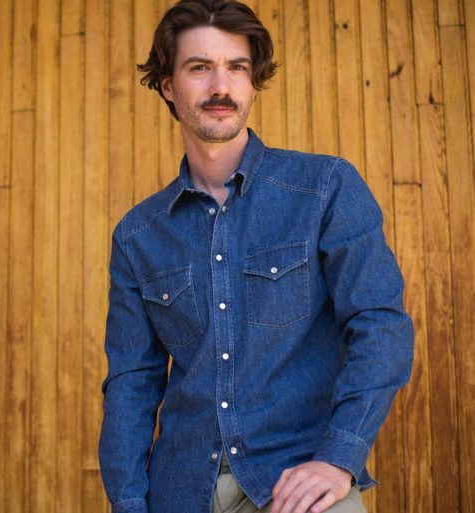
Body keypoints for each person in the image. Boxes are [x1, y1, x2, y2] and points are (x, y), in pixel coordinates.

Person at [98, 1, 414, 512]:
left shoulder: (323, 188)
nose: (220, 86)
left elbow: (381, 325)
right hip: (181, 491)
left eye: (237, 68)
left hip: (299, 483)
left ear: (252, 83)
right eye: (200, 68)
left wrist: (339, 457)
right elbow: (131, 386)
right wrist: (129, 504)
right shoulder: (138, 235)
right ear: (168, 87)